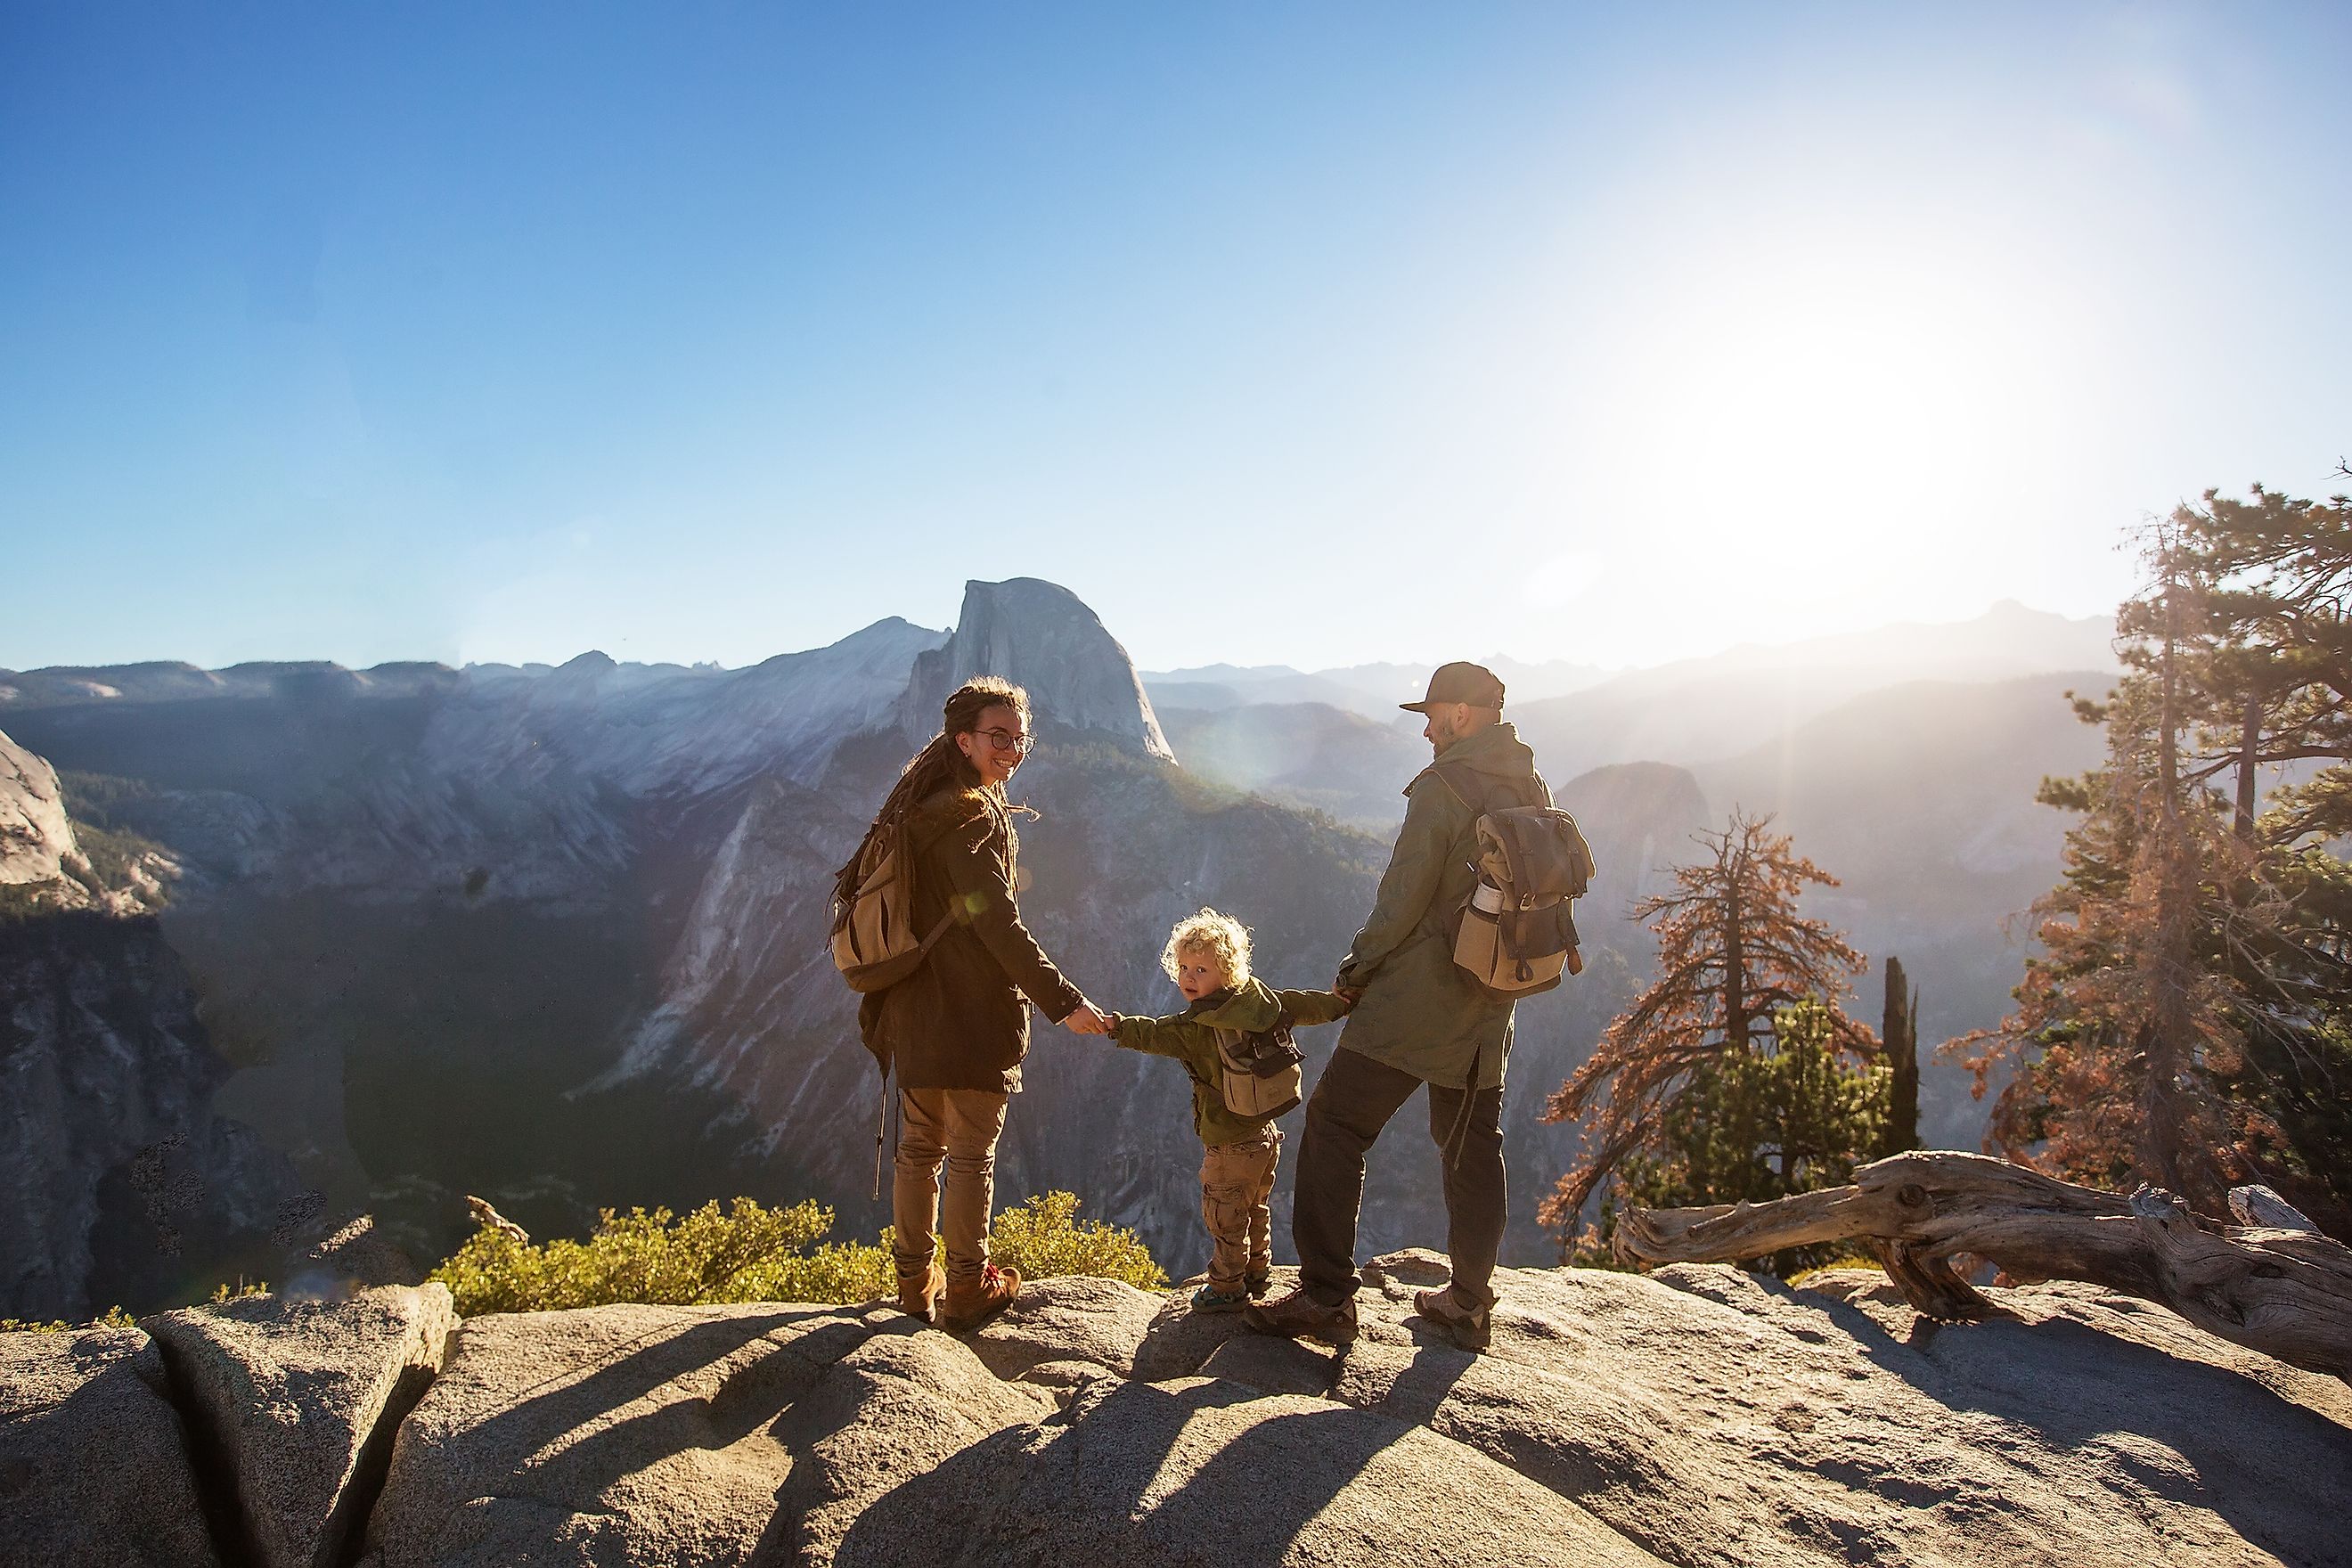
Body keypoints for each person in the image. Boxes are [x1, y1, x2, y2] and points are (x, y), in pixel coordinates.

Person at [1245, 661, 1549, 1351]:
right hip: (1493, 998)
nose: (1427, 730)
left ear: (1464, 715)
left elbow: (1402, 897)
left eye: (1433, 715)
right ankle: (1470, 1301)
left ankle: (1326, 1297)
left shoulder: (1444, 787)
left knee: (1334, 1127)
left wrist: (1356, 969)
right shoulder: (1529, 781)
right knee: (1473, 1149)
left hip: (1419, 998)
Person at [855, 676, 1111, 1331]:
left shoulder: (919, 807)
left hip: (913, 1011)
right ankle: (968, 1286)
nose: (1014, 749)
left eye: (1020, 737)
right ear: (963, 739)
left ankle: (914, 1286)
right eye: (999, 737)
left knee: (919, 1150)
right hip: (967, 1015)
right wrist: (1064, 1002)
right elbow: (997, 923)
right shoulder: (969, 816)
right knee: (969, 1155)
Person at [1096, 910, 1351, 1312]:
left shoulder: (1197, 1026)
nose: (1188, 978)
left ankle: (1227, 1287)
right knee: (1256, 1207)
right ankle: (1257, 1269)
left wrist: (1117, 1026)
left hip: (1228, 1143)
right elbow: (1301, 1006)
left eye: (1200, 969)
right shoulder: (1261, 1001)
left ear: (1226, 971)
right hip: (1266, 1135)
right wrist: (1338, 1005)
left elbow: (1155, 1034)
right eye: (1183, 967)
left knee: (1225, 1217)